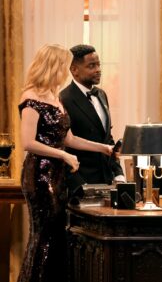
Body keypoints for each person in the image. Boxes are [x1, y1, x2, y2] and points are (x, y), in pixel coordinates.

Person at [17, 44, 113, 282]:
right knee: (44, 235)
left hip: (57, 175)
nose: (66, 71)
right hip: (40, 174)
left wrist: (103, 148)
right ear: (53, 66)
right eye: (63, 66)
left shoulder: (54, 97)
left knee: (58, 234)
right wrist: (63, 155)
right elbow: (27, 142)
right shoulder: (30, 96)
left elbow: (68, 138)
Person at [60, 44, 124, 188]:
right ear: (74, 70)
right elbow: (63, 145)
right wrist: (79, 185)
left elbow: (107, 138)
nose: (98, 70)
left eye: (98, 65)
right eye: (91, 66)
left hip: (106, 179)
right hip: (81, 182)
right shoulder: (64, 99)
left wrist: (118, 173)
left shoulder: (101, 94)